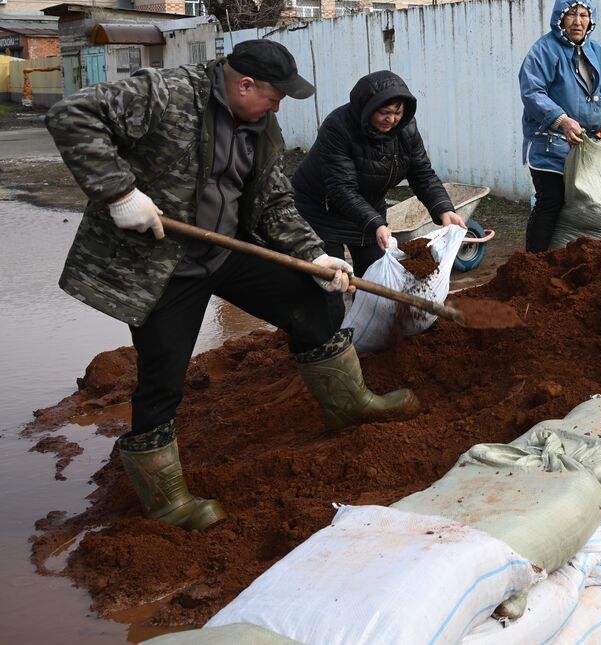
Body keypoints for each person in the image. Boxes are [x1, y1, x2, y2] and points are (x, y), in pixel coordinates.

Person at [45, 40, 420, 531]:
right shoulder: (167, 93)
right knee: (162, 377)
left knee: (312, 296)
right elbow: (71, 114)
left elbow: (272, 201)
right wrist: (119, 191)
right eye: (275, 95)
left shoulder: (262, 123)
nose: (279, 105)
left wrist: (313, 254)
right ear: (245, 84)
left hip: (225, 250)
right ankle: (165, 500)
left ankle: (349, 405)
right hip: (161, 264)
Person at [293, 70, 465, 277]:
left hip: (368, 209)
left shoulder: (406, 128)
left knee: (376, 281)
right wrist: (375, 223)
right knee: (329, 285)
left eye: (398, 112)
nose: (391, 119)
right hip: (322, 211)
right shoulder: (338, 128)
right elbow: (342, 189)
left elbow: (422, 173)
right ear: (367, 108)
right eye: (384, 112)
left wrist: (443, 209)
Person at [519, 0, 601, 252]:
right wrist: (561, 120)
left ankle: (576, 260)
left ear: (590, 20)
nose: (577, 21)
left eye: (583, 15)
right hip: (551, 147)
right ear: (559, 18)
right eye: (571, 14)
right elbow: (532, 92)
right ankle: (533, 264)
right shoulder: (543, 51)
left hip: (588, 148)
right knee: (551, 200)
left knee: (588, 203)